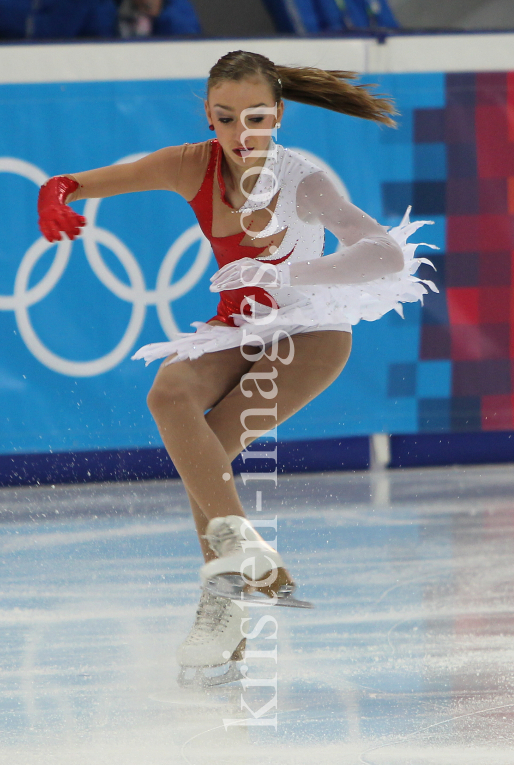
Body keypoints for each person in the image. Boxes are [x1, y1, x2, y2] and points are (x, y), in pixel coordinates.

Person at [37, 50, 435, 687]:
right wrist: (54, 192)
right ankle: (240, 549)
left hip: (310, 331)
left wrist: (280, 272)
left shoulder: (303, 178)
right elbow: (82, 181)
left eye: (255, 118)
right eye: (225, 119)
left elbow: (384, 254)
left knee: (210, 454)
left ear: (277, 114)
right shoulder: (190, 165)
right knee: (170, 397)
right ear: (209, 117)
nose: (240, 134)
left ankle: (221, 608)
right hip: (239, 326)